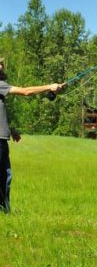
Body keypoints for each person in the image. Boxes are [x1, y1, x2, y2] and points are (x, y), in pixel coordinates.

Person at [0, 57, 65, 213]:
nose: (1, 67)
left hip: (2, 138)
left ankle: (4, 212)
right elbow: (25, 91)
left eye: (2, 64)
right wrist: (49, 86)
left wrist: (11, 129)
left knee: (5, 177)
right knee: (3, 177)